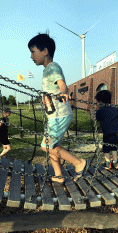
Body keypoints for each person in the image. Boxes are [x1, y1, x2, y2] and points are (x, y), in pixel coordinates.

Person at [28, 32, 89, 184]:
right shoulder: (48, 69)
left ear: (45, 51)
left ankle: (78, 163)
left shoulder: (51, 67)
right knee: (53, 146)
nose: (31, 56)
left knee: (46, 146)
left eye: (33, 52)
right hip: (54, 115)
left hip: (59, 115)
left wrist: (63, 92)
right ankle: (58, 175)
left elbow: (62, 84)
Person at [93, 90, 118, 170]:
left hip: (108, 134)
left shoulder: (100, 111)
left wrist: (93, 114)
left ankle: (108, 163)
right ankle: (115, 163)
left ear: (100, 101)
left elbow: (95, 119)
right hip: (117, 133)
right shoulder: (114, 109)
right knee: (114, 147)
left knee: (106, 148)